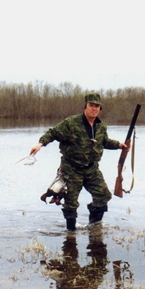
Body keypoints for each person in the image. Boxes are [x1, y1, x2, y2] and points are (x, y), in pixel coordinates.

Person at [30, 93, 128, 230]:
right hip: (72, 169)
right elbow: (53, 133)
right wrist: (40, 144)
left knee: (103, 195)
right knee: (70, 203)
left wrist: (119, 145)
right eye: (91, 105)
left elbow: (104, 141)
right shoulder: (71, 123)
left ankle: (94, 227)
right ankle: (71, 233)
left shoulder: (101, 126)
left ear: (100, 109)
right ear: (85, 107)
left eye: (97, 106)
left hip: (92, 169)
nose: (94, 109)